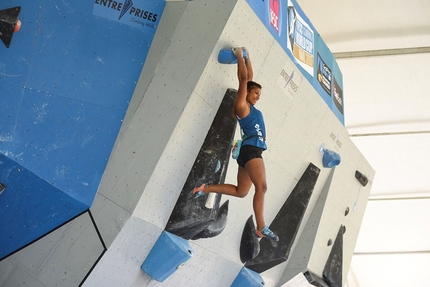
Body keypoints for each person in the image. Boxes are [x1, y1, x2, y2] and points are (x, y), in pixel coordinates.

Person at [192, 47, 279, 241]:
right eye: (255, 93)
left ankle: (204, 189)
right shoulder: (242, 107)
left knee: (242, 192)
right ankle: (261, 226)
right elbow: (243, 80)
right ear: (246, 92)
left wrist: (248, 58)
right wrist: (239, 55)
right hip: (252, 151)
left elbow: (249, 77)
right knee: (262, 187)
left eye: (259, 94)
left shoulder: (250, 106)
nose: (258, 96)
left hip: (248, 152)